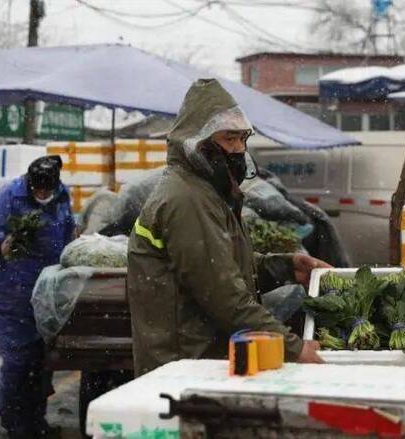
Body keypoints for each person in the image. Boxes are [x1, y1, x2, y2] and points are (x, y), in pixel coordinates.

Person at [127, 78, 328, 376]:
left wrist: (284, 267)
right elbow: (222, 293)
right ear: (198, 143)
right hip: (184, 367)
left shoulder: (206, 192)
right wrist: (293, 347)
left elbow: (221, 265)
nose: (238, 149)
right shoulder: (187, 200)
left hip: (201, 360)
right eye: (228, 139)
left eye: (241, 139)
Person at [0, 155, 75, 439]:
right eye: (37, 191)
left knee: (42, 364)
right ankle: (16, 428)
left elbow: (67, 234)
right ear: (29, 185)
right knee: (18, 364)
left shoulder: (62, 196)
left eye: (46, 191)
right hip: (12, 297)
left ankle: (36, 423)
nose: (42, 196)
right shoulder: (8, 196)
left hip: (47, 296)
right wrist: (1, 244)